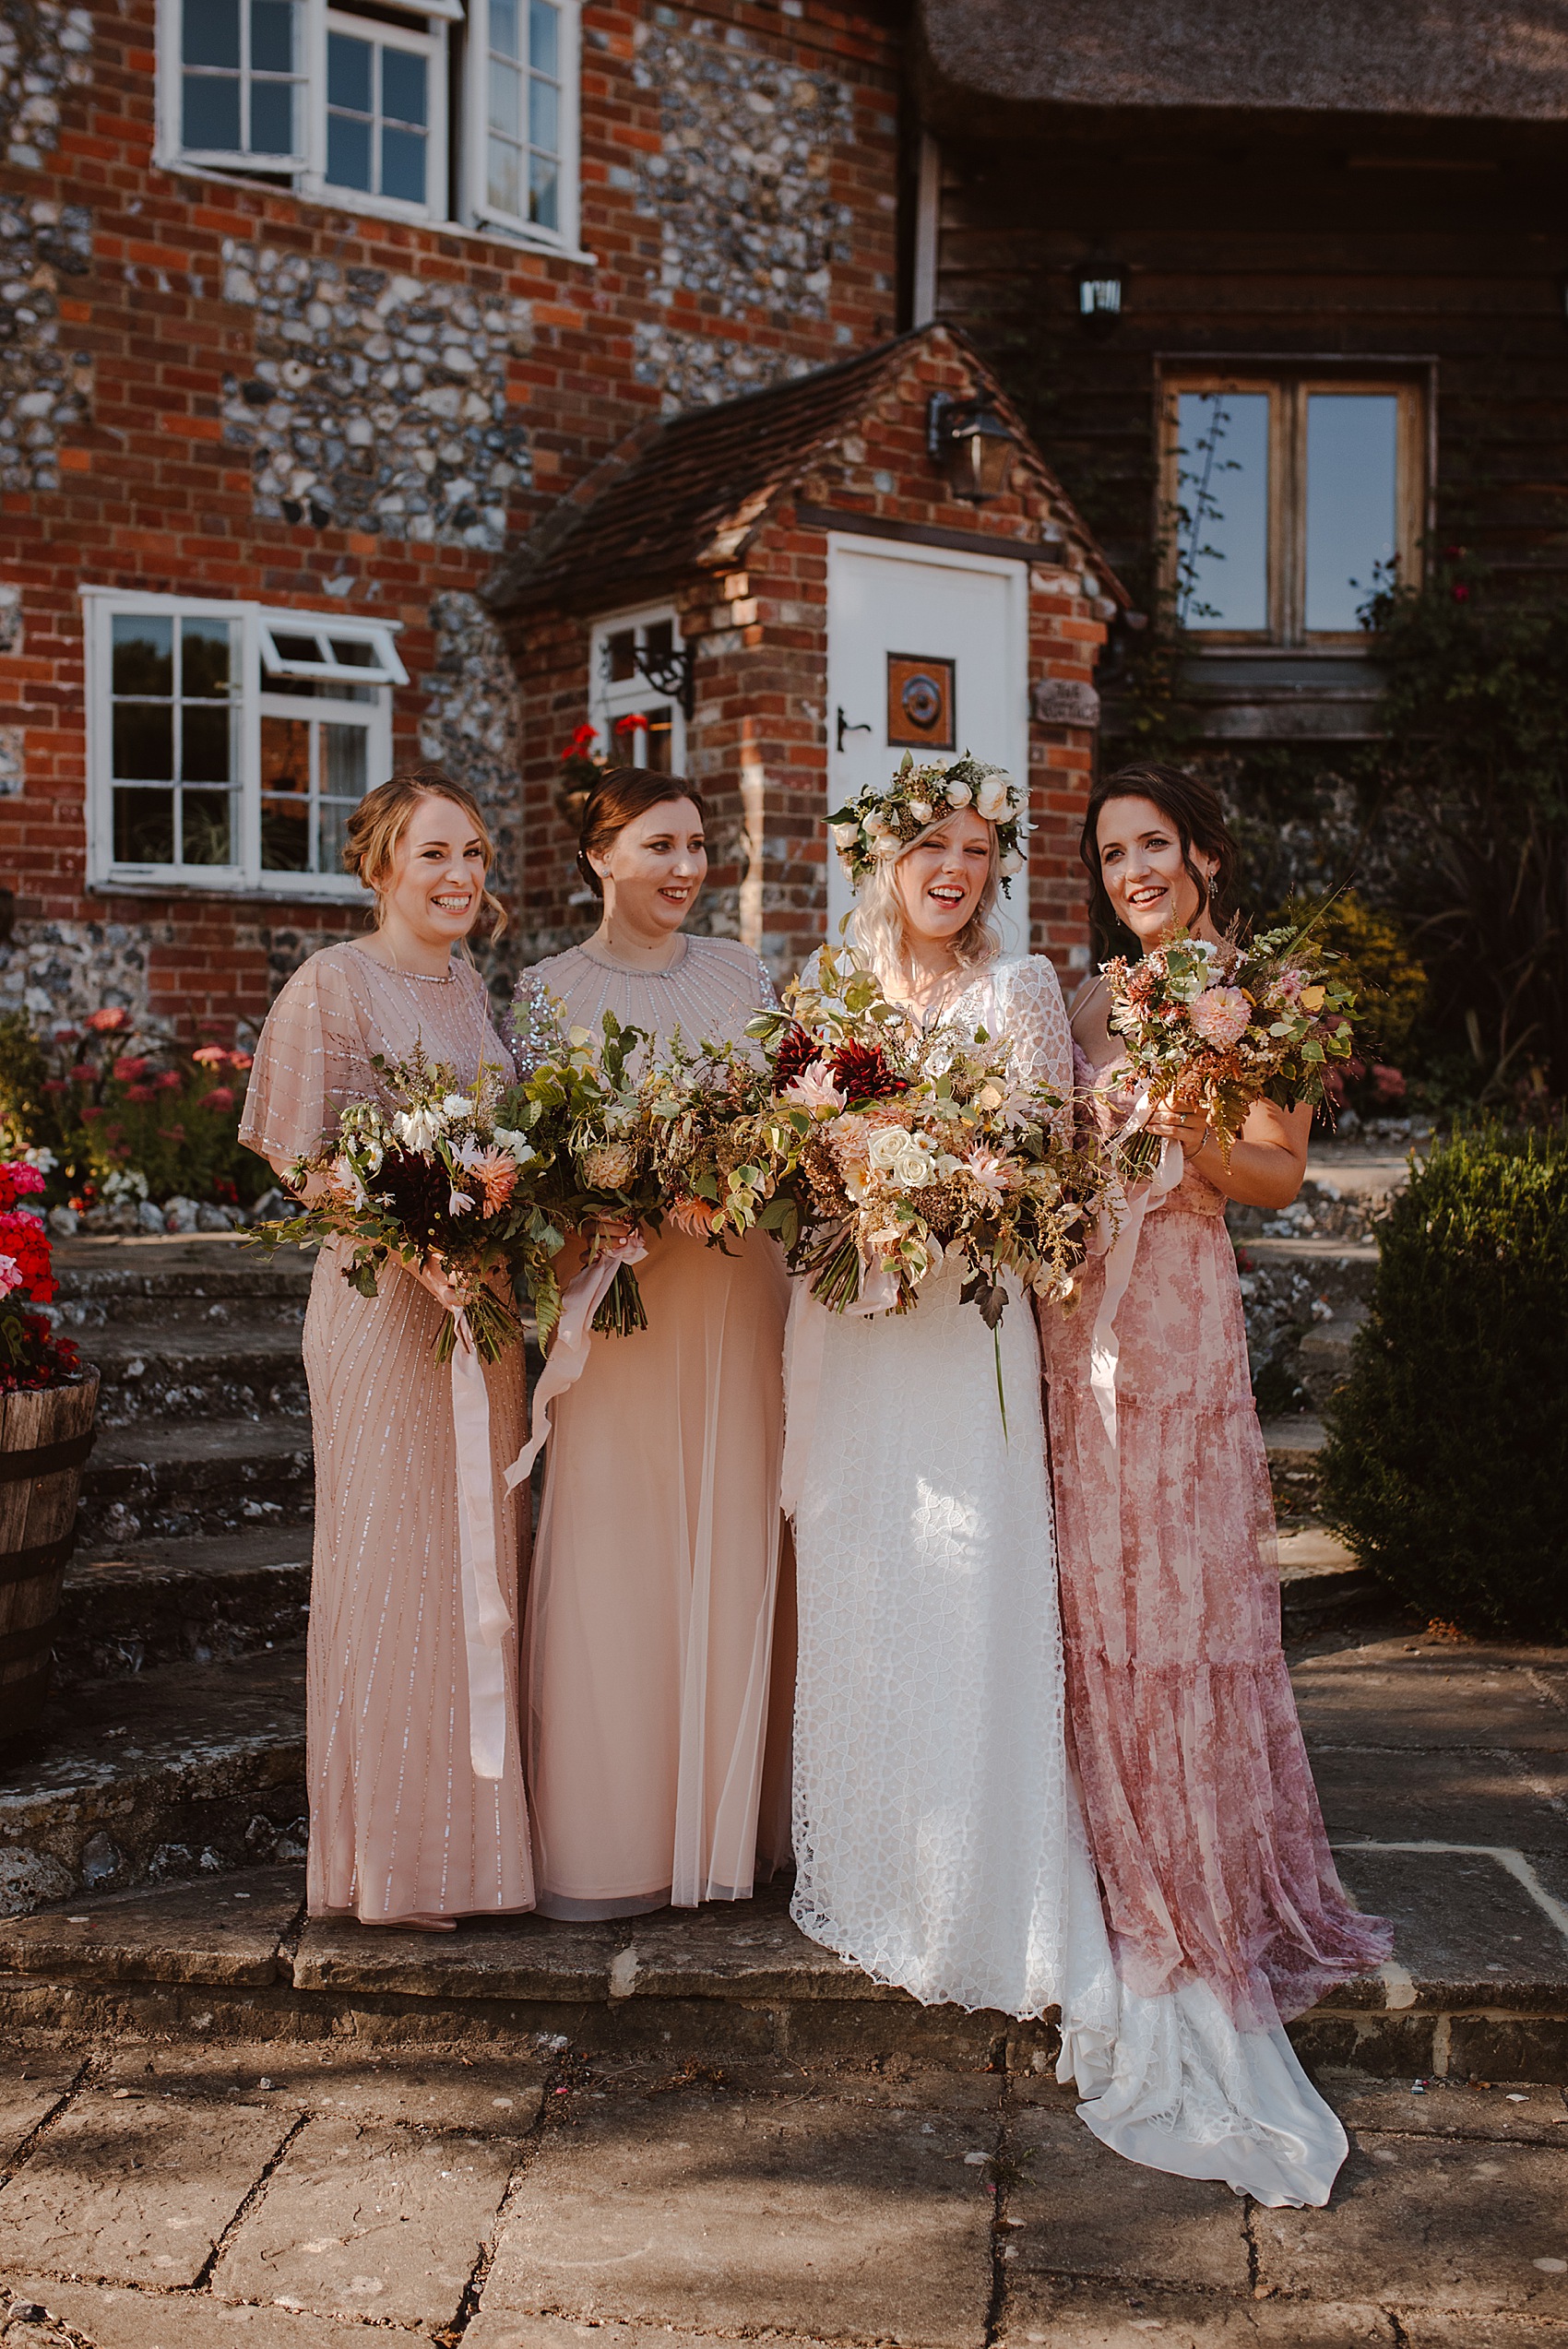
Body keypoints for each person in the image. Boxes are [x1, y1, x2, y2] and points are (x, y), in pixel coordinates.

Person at [1039, 759, 1392, 2203]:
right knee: (1088, 1584)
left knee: (1175, 1585)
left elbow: (1277, 1174)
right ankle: (1094, 1859)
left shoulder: (1269, 998)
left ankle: (1191, 1870)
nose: (1135, 870)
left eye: (1155, 846)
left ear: (1205, 856)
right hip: (1077, 1325)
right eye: (1114, 851)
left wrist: (1182, 1115)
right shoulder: (1078, 1002)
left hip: (1177, 1313)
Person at [782, 756, 1120, 2063]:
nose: (955, 868)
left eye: (978, 850)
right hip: (857, 1327)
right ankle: (877, 1870)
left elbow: (1045, 1151)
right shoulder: (832, 988)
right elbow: (801, 1152)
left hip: (967, 1321)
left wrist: (948, 1181)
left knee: (976, 1571)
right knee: (866, 1572)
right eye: (930, 843)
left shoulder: (1022, 987)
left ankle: (987, 1888)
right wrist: (853, 1171)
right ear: (883, 857)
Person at [240, 768, 534, 1929]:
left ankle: (481, 1857)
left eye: (473, 855)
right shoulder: (333, 986)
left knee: (480, 1566)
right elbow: (306, 1154)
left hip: (486, 1309)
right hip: (382, 1308)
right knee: (391, 1564)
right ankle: (396, 1868)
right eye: (434, 855)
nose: (460, 876)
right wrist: (415, 1248)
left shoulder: (471, 989)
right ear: (379, 870)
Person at [507, 766, 790, 1919]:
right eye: (660, 846)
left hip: (735, 1292)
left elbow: (789, 1128)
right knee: (615, 1545)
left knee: (735, 1524)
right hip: (617, 1305)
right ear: (600, 857)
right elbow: (529, 1169)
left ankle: (735, 1830)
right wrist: (606, 1203)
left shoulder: (743, 973)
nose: (685, 868)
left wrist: (741, 1175)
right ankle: (614, 1837)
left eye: (696, 846)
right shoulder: (541, 991)